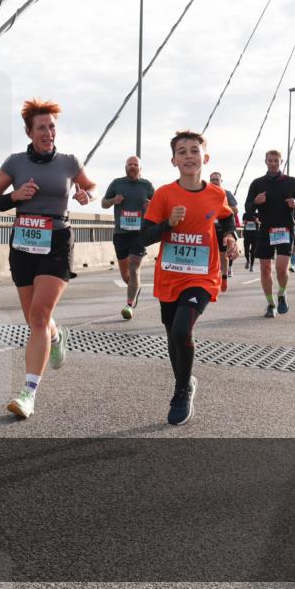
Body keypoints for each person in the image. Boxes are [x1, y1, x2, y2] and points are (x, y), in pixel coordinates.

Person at [0, 98, 97, 418]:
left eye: (51, 127)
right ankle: (56, 335)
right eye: (41, 128)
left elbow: (89, 187)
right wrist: (15, 197)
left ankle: (28, 394)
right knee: (36, 320)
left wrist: (84, 194)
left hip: (57, 242)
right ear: (29, 132)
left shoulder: (69, 162)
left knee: (38, 314)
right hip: (23, 243)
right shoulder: (15, 163)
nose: (48, 132)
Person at [141, 130, 238, 426]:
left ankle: (181, 391)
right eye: (181, 151)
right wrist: (167, 224)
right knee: (172, 335)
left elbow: (225, 217)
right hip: (170, 276)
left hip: (202, 276)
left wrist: (231, 236)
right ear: (174, 160)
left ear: (204, 158)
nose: (188, 156)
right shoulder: (164, 195)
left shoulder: (215, 194)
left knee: (183, 331)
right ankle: (186, 380)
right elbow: (145, 236)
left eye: (194, 150)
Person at [244, 149, 295, 317]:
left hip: (285, 229)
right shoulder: (257, 183)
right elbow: (247, 207)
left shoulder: (292, 182)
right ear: (265, 161)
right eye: (270, 160)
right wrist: (255, 202)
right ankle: (271, 303)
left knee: (281, 269)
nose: (273, 163)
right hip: (265, 230)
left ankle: (282, 293)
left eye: (275, 161)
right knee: (265, 269)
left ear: (281, 162)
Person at [102, 156, 155, 320]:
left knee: (134, 268)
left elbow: (159, 205)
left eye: (136, 164)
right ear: (125, 167)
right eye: (130, 164)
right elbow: (104, 203)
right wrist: (113, 200)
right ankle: (135, 289)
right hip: (121, 234)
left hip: (139, 234)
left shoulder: (147, 185)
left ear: (141, 168)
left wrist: (151, 205)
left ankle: (129, 305)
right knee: (126, 274)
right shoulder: (117, 183)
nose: (133, 166)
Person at [208, 171, 240, 290]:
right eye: (212, 179)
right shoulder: (206, 193)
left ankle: (224, 276)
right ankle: (212, 278)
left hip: (223, 227)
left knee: (223, 254)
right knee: (208, 255)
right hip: (209, 228)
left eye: (216, 179)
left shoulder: (226, 193)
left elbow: (235, 210)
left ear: (221, 181)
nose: (214, 181)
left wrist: (220, 209)